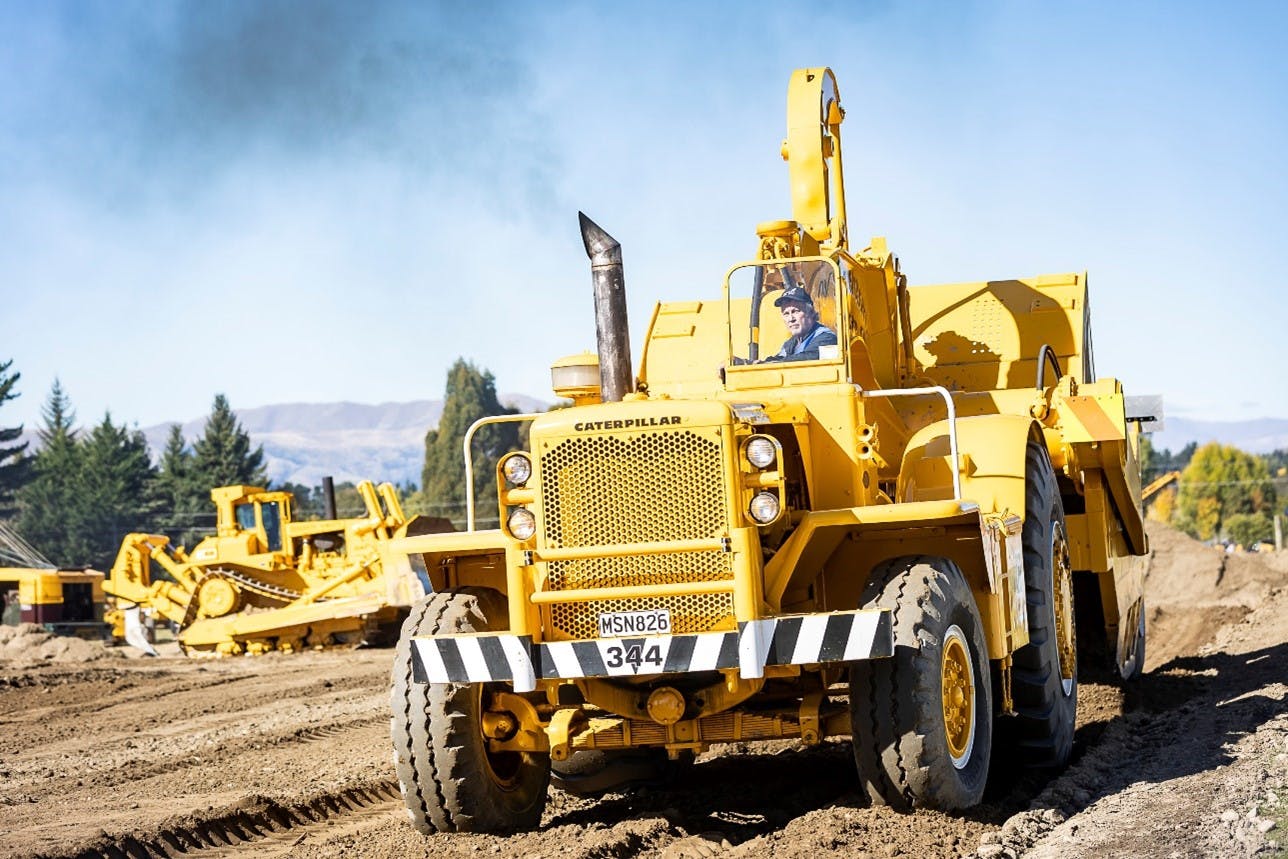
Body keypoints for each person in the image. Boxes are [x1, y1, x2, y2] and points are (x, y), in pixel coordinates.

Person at [765, 285, 837, 362]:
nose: (791, 319)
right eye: (786, 313)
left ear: (811, 312)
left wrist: (774, 363)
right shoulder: (791, 343)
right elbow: (779, 358)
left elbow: (808, 357)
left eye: (795, 311)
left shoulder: (827, 339)